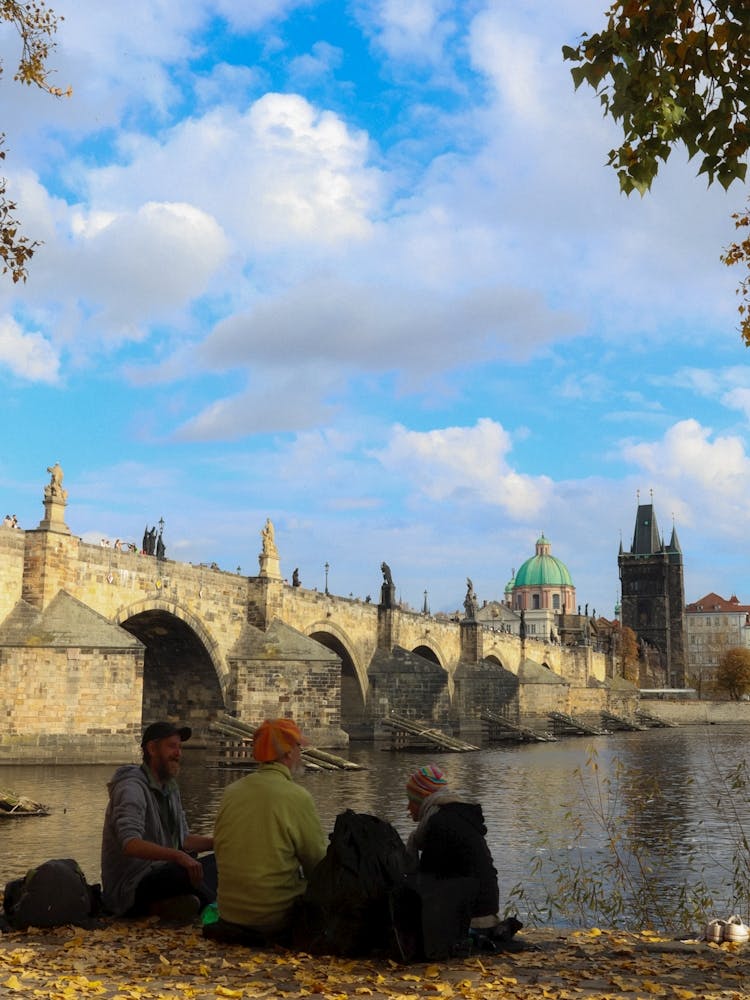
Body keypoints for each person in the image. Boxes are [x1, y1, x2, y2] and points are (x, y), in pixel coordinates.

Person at [209, 718, 326, 945]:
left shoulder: (231, 792)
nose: (300, 753)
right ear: (288, 753)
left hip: (230, 914)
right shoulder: (297, 797)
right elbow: (317, 864)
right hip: (274, 918)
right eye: (298, 747)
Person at [101, 721, 216, 923]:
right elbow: (130, 844)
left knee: (223, 860)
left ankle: (177, 904)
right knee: (182, 870)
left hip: (163, 872)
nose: (178, 753)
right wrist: (179, 856)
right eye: (172, 747)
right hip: (132, 884)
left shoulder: (170, 788)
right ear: (152, 749)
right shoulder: (131, 788)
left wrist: (221, 842)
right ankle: (209, 909)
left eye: (179, 747)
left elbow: (184, 839)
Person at [405, 764, 518, 946]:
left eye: (410, 800)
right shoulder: (459, 816)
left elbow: (428, 881)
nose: (407, 808)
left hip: (472, 920)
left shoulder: (439, 824)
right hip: (486, 911)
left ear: (422, 798)